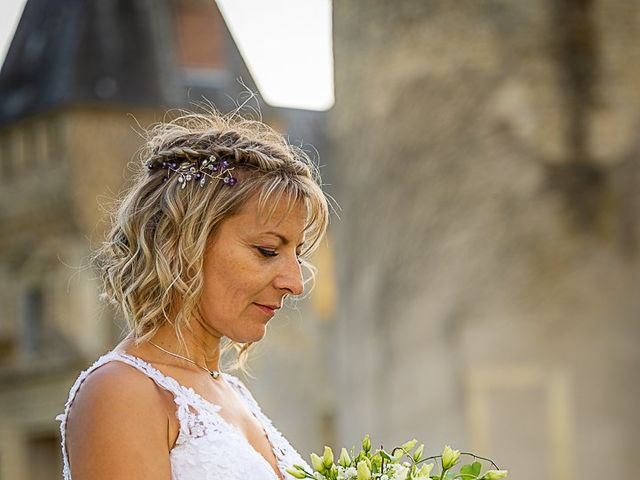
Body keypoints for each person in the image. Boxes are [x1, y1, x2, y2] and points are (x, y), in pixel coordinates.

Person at [55, 110, 330, 480]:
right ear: (183, 244)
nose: (295, 283)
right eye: (267, 250)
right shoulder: (120, 392)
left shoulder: (233, 393)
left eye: (297, 255)